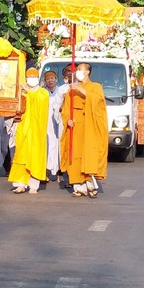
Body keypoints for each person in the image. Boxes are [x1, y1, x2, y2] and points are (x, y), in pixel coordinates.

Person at [61, 63, 108, 198]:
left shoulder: (95, 87)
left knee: (88, 154)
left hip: (89, 125)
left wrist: (81, 90)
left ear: (87, 72)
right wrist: (68, 119)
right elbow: (66, 108)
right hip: (75, 125)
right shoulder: (72, 89)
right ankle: (78, 186)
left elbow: (98, 102)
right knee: (75, 154)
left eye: (80, 70)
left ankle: (90, 183)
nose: (77, 72)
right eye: (77, 70)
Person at [9, 68, 50, 194]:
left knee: (35, 156)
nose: (32, 79)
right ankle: (20, 184)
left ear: (38, 78)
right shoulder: (22, 92)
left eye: (34, 76)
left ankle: (33, 185)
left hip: (37, 131)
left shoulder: (43, 93)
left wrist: (28, 92)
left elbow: (39, 102)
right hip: (23, 129)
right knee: (21, 155)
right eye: (29, 76)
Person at [43, 70, 64, 181]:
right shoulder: (43, 92)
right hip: (46, 123)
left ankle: (59, 171)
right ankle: (45, 172)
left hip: (58, 122)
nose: (50, 80)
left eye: (52, 78)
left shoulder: (60, 91)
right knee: (47, 146)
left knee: (58, 146)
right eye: (48, 79)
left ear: (56, 79)